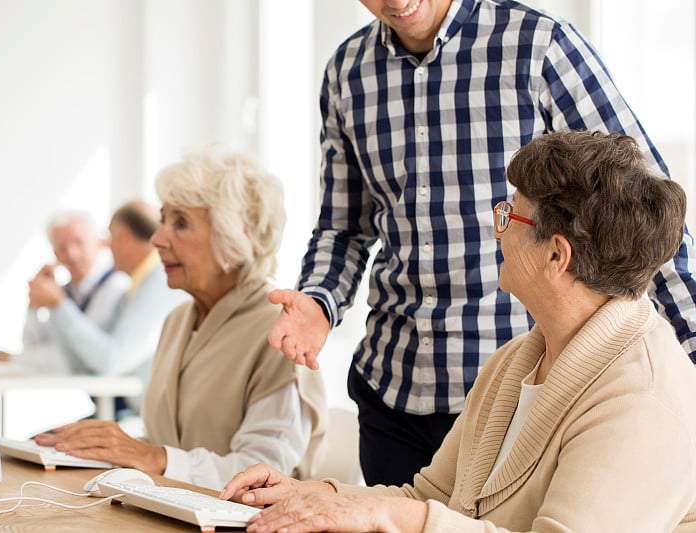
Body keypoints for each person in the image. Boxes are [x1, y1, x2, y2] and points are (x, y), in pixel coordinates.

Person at [268, 0, 696, 486]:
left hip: (513, 396)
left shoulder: (540, 47)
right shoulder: (347, 73)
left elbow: (641, 206)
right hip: (391, 390)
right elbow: (342, 227)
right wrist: (319, 302)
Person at [222, 130, 696, 532]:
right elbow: (427, 497)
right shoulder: (514, 364)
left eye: (511, 215)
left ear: (557, 254)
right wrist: (311, 494)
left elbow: (416, 516)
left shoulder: (644, 399)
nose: (498, 231)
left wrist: (385, 513)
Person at [36, 146, 328, 490]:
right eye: (163, 220)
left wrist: (150, 456)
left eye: (181, 223)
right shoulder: (178, 321)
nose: (158, 239)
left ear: (235, 238)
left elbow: (262, 475)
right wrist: (102, 450)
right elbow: (172, 443)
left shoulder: (279, 333)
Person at [25, 200, 188, 418]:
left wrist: (59, 304)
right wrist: (54, 305)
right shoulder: (134, 288)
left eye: (110, 237)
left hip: (145, 418)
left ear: (126, 237)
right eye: (62, 247)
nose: (105, 245)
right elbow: (82, 361)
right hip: (134, 413)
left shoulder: (159, 281)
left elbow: (110, 360)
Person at [0, 210, 129, 374]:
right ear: (54, 254)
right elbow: (33, 346)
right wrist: (34, 305)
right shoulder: (65, 292)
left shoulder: (116, 285)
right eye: (61, 248)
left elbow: (80, 358)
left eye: (78, 242)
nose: (71, 254)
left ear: (98, 242)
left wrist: (14, 360)